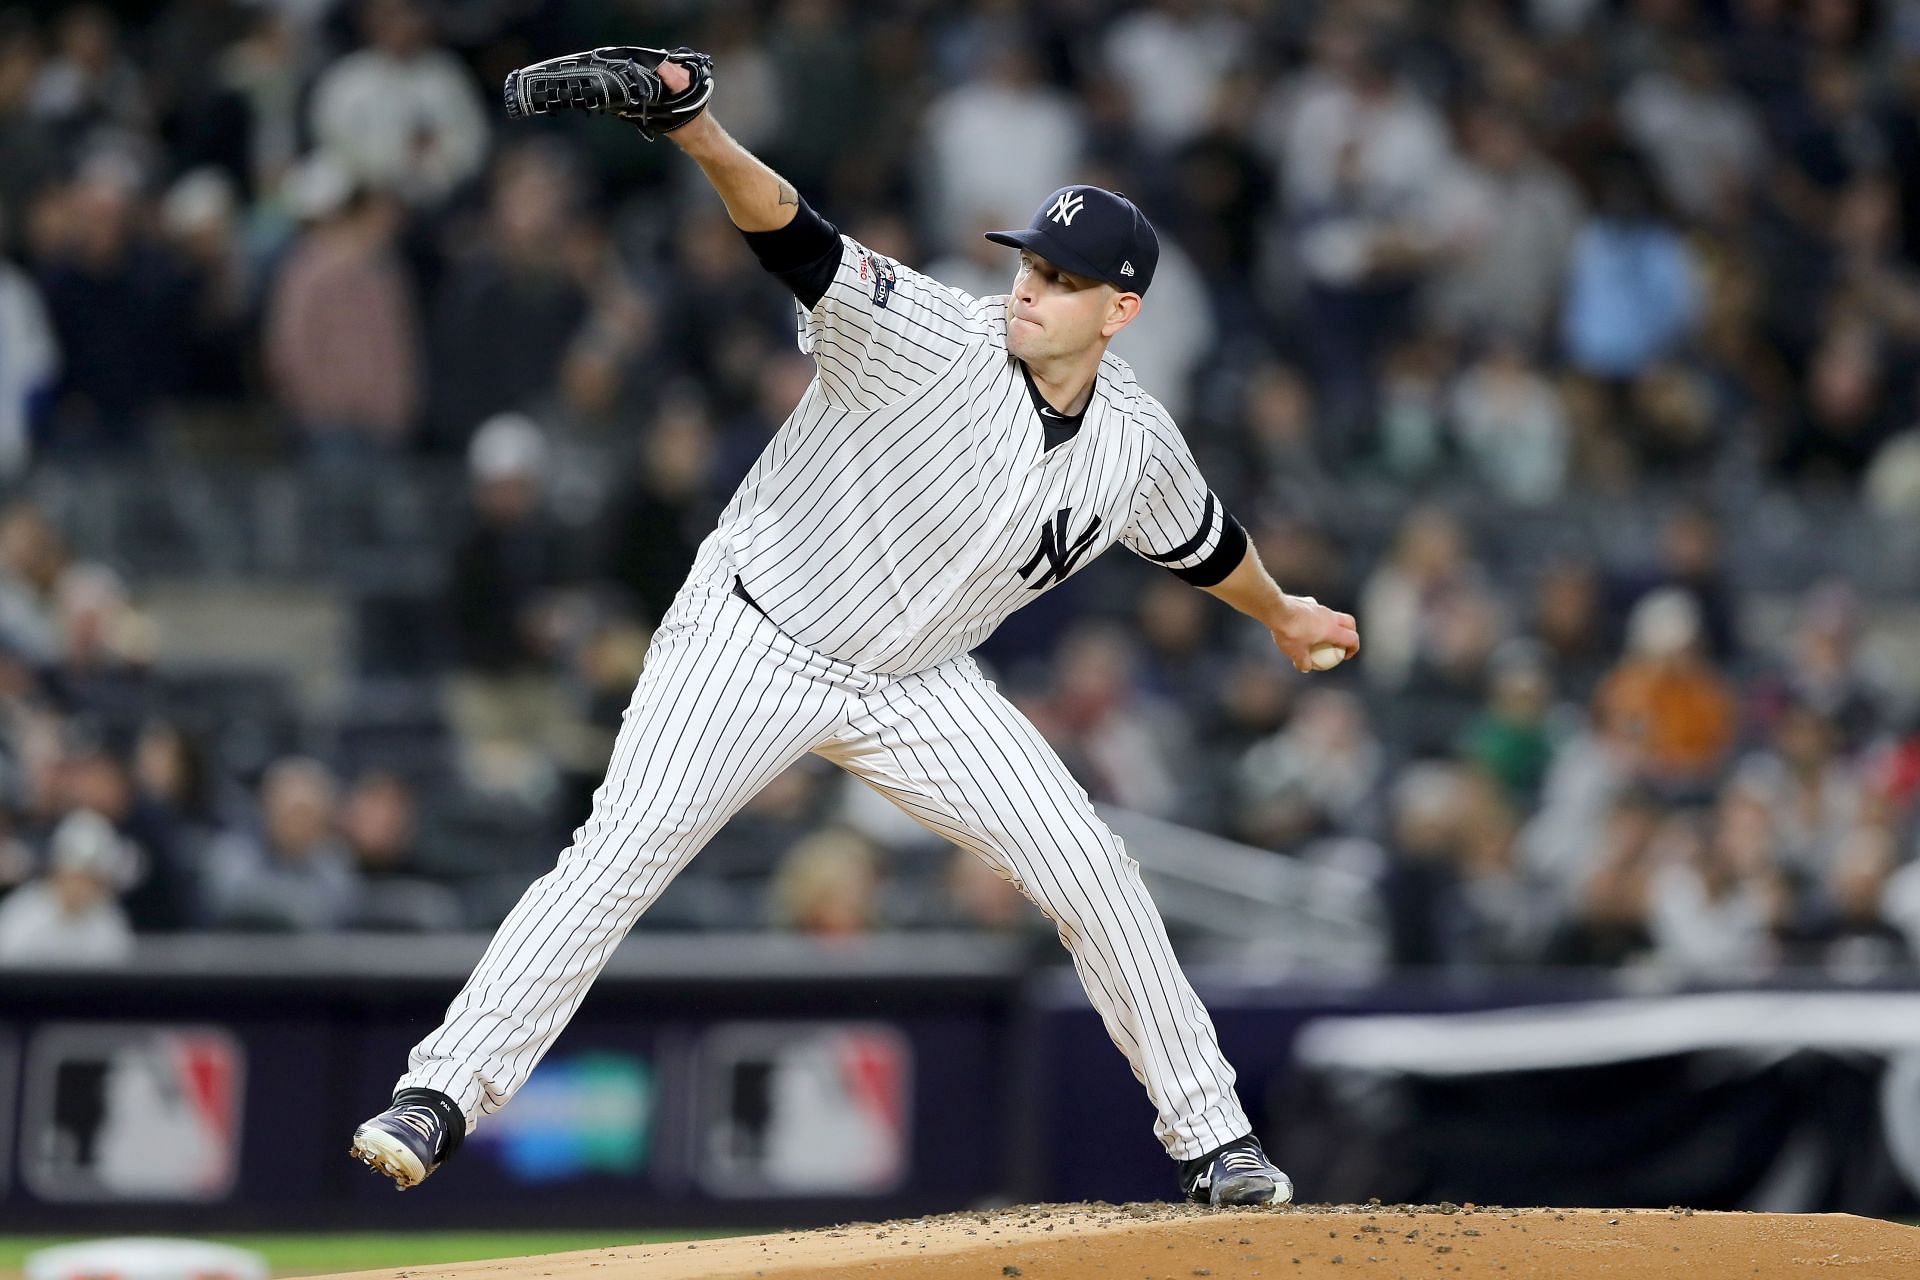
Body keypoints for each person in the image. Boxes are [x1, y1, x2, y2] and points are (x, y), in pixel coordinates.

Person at [351, 44, 1359, 1207]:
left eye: (1065, 277)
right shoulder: (932, 330)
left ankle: (1217, 1141)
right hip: (754, 633)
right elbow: (795, 234)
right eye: (1031, 260)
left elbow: (1204, 540)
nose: (1031, 285)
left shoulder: (1137, 440)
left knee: (1093, 867)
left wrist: (1281, 610)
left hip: (917, 681)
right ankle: (442, 1091)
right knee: (617, 857)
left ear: (1121, 311)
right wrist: (697, 135)